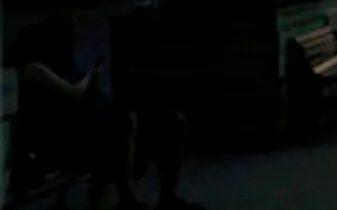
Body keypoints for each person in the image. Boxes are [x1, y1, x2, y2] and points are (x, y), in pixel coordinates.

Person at [7, 17, 202, 210]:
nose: (74, 40)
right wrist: (90, 74)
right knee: (124, 123)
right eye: (69, 35)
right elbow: (74, 92)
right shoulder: (36, 68)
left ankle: (168, 197)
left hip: (98, 122)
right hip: (70, 136)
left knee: (173, 122)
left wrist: (93, 80)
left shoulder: (67, 65)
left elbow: (89, 95)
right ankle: (128, 198)